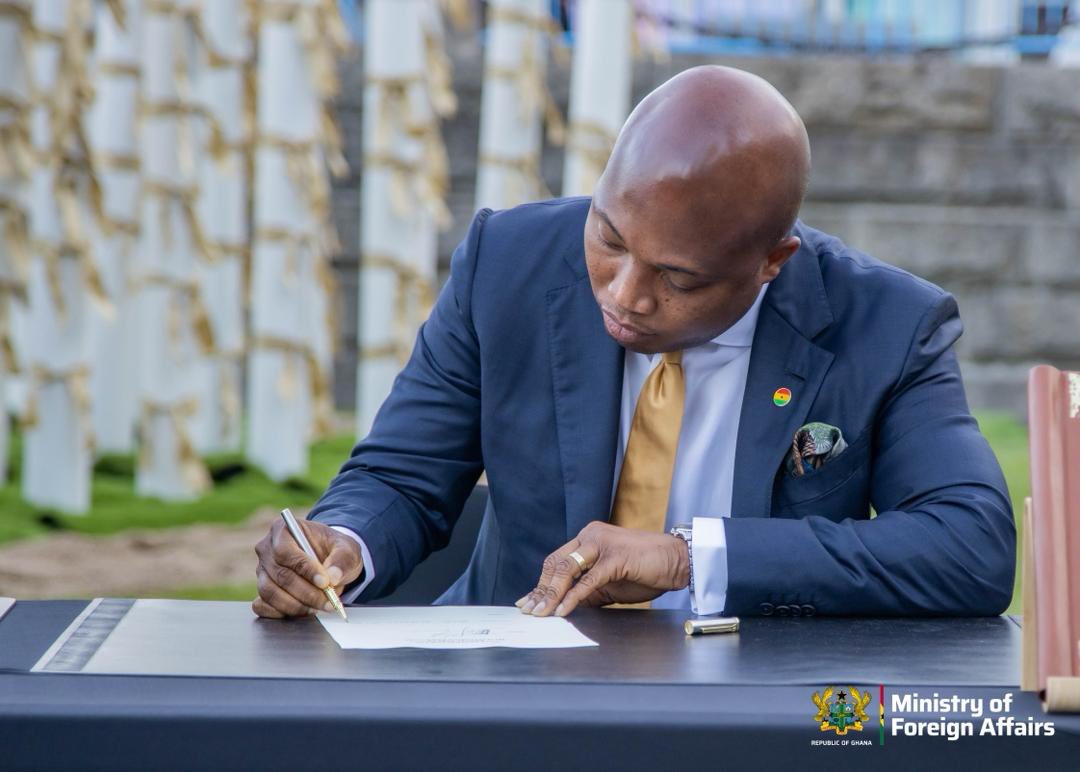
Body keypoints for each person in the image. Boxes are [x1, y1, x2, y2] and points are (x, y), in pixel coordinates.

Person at [252, 65, 1015, 621]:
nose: (623, 296)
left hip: (754, 706)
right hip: (508, 697)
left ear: (770, 263)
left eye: (679, 280)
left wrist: (691, 556)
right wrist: (340, 544)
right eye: (608, 239)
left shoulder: (883, 326)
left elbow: (970, 546)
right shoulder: (506, 264)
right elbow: (402, 476)